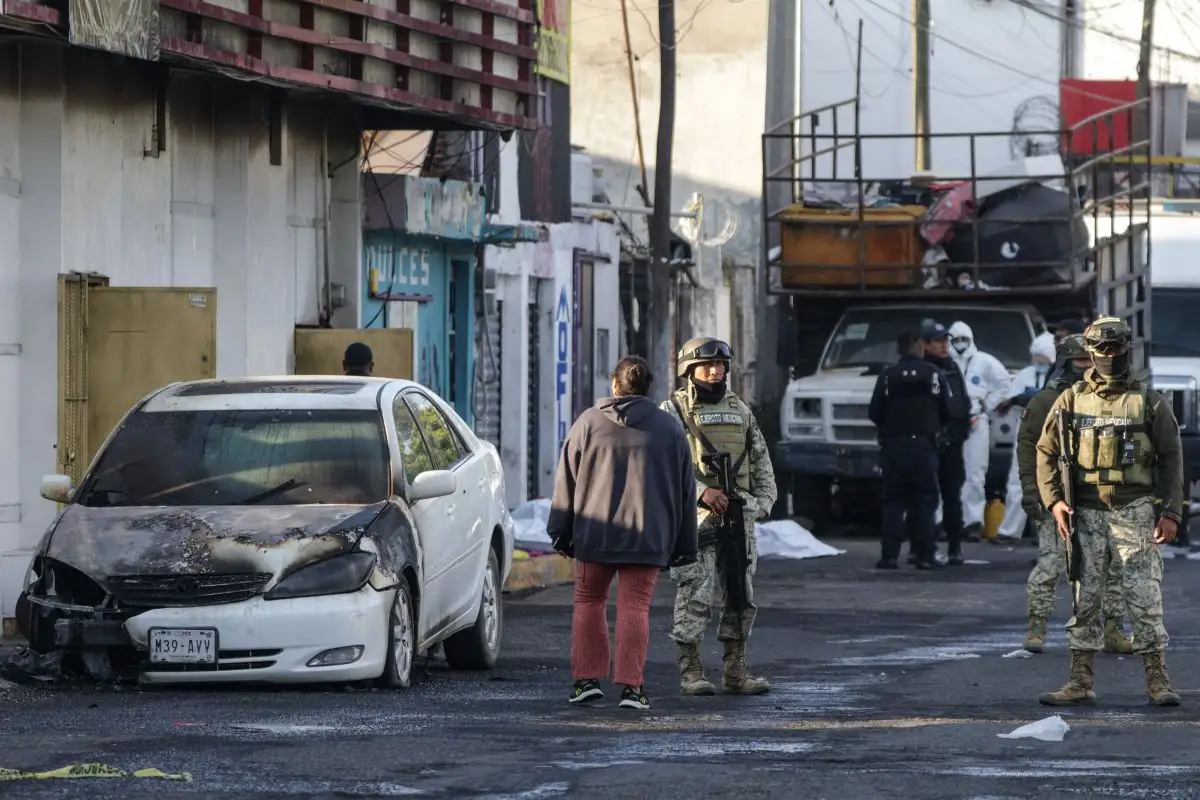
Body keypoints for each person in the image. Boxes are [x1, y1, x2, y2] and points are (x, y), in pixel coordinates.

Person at [1035, 317, 1183, 707]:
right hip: (1084, 513)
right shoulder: (1070, 399)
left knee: (1144, 599)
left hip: (1134, 511)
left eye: (1114, 349)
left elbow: (1171, 459)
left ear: (1126, 350)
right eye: (1100, 350)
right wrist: (1055, 501)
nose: (1107, 356)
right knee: (1085, 601)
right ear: (1089, 352)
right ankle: (1080, 681)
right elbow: (1046, 452)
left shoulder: (1149, 401)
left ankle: (1158, 682)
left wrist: (1170, 513)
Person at [547, 356, 699, 711]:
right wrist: (684, 544)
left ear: (615, 383)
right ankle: (632, 689)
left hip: (593, 534)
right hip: (648, 537)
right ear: (648, 387)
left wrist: (561, 531)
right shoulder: (670, 429)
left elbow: (565, 481)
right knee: (635, 607)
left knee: (588, 600)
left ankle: (586, 681)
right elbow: (685, 491)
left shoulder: (587, 423)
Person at [662, 336, 777, 697]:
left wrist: (761, 503)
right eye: (706, 365)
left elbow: (761, 460)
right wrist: (702, 492)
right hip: (695, 519)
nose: (715, 371)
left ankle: (735, 670)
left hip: (738, 516)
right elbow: (666, 466)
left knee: (741, 595)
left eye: (720, 364)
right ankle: (692, 671)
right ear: (688, 370)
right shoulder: (673, 412)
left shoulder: (739, 410)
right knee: (695, 594)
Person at [1017, 335, 1131, 655]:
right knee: (1051, 564)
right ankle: (1036, 627)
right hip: (1057, 497)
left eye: (1090, 361)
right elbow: (1029, 449)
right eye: (1080, 361)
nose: (1086, 367)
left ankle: (1112, 631)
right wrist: (1033, 491)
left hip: (1100, 498)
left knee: (1109, 568)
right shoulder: (1044, 402)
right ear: (1065, 363)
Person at [870, 332, 950, 570]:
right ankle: (924, 555)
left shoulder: (887, 376)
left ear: (899, 350)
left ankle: (889, 556)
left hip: (894, 446)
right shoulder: (934, 375)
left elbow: (874, 412)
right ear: (919, 348)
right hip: (923, 447)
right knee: (924, 501)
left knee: (893, 501)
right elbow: (947, 409)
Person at [993, 332, 1058, 543]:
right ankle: (1010, 530)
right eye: (1036, 357)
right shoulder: (1024, 375)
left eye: (1043, 358)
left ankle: (1046, 534)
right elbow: (1012, 400)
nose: (1039, 362)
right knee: (1017, 480)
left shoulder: (1058, 376)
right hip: (1027, 433)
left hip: (1050, 433)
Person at [948, 321, 1010, 532]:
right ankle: (942, 521)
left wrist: (987, 406)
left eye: (964, 339)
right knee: (944, 473)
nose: (960, 344)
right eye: (956, 340)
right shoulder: (943, 362)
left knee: (975, 472)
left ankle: (972, 520)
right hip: (948, 422)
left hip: (976, 420)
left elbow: (1003, 384)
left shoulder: (984, 361)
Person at [922, 320, 972, 565]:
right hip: (927, 442)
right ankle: (923, 547)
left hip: (952, 441)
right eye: (938, 341)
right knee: (925, 498)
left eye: (945, 341)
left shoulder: (952, 367)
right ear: (925, 344)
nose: (944, 346)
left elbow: (962, 401)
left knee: (952, 496)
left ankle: (954, 546)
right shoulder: (922, 369)